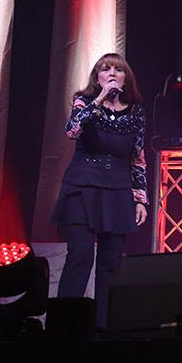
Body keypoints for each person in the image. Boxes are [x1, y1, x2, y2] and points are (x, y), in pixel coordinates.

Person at [51, 53, 148, 328]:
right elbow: (72, 131)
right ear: (97, 77)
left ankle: (105, 327)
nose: (112, 73)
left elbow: (137, 157)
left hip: (118, 190)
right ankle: (65, 327)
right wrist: (99, 99)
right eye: (106, 69)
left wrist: (140, 199)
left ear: (126, 77)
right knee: (81, 255)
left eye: (118, 70)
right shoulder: (84, 101)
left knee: (110, 263)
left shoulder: (136, 110)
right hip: (82, 188)